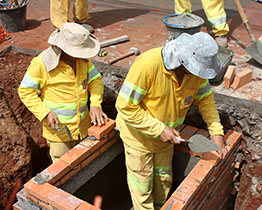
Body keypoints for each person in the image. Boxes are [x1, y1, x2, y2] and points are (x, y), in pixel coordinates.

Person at [115, 32, 228, 210]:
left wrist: (217, 133)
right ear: (184, 61)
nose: (198, 74)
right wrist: (159, 129)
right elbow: (125, 106)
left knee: (163, 180)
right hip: (138, 139)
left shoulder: (195, 73)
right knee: (142, 186)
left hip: (165, 140)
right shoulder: (148, 65)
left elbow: (206, 101)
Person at [18, 23, 107, 162]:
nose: (80, 55)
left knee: (85, 164)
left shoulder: (83, 61)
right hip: (59, 133)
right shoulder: (42, 64)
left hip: (83, 127)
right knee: (64, 170)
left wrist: (96, 104)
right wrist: (45, 113)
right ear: (63, 48)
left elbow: (95, 80)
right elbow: (26, 91)